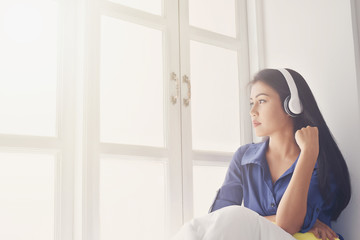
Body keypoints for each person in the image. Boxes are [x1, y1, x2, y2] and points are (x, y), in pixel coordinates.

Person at [209, 68, 351, 240]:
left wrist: (308, 153)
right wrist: (294, 221)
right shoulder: (243, 157)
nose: (252, 111)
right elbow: (218, 219)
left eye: (261, 101)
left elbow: (288, 225)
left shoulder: (318, 160)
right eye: (251, 102)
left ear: (291, 105)